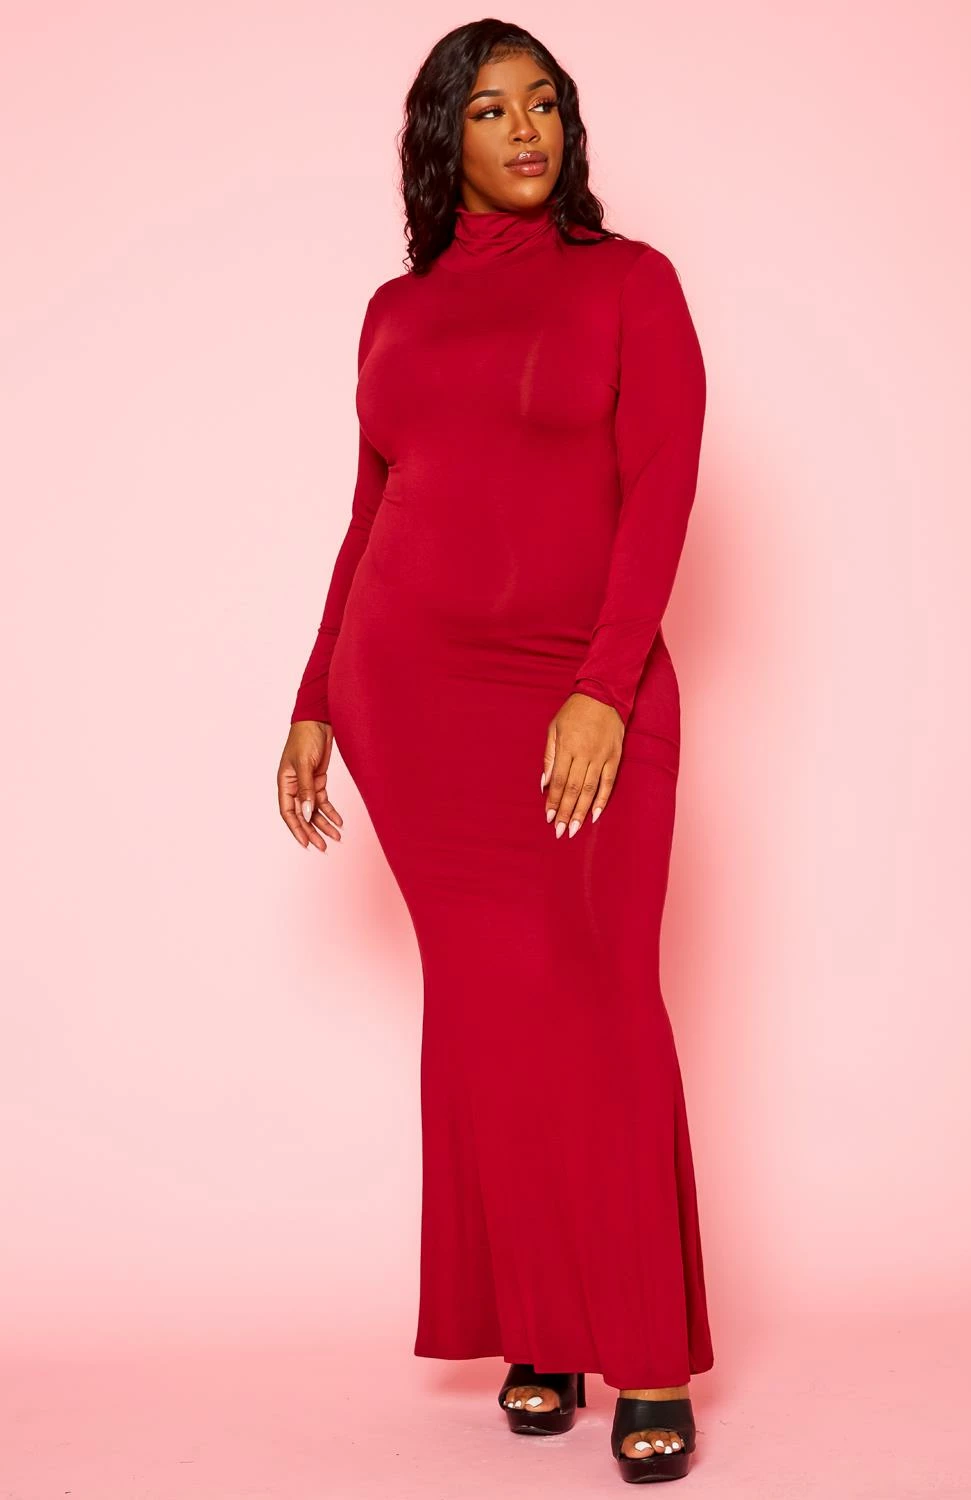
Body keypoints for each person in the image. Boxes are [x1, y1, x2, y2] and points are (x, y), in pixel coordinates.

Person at [276, 20, 714, 1485]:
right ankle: (537, 1326)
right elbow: (369, 512)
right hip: (412, 702)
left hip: (581, 686)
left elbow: (661, 485)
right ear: (441, 139)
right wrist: (314, 696)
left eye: (542, 104)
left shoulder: (631, 284)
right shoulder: (393, 315)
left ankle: (643, 1348)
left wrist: (604, 685)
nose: (524, 130)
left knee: (598, 1004)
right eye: (488, 110)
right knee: (486, 1015)